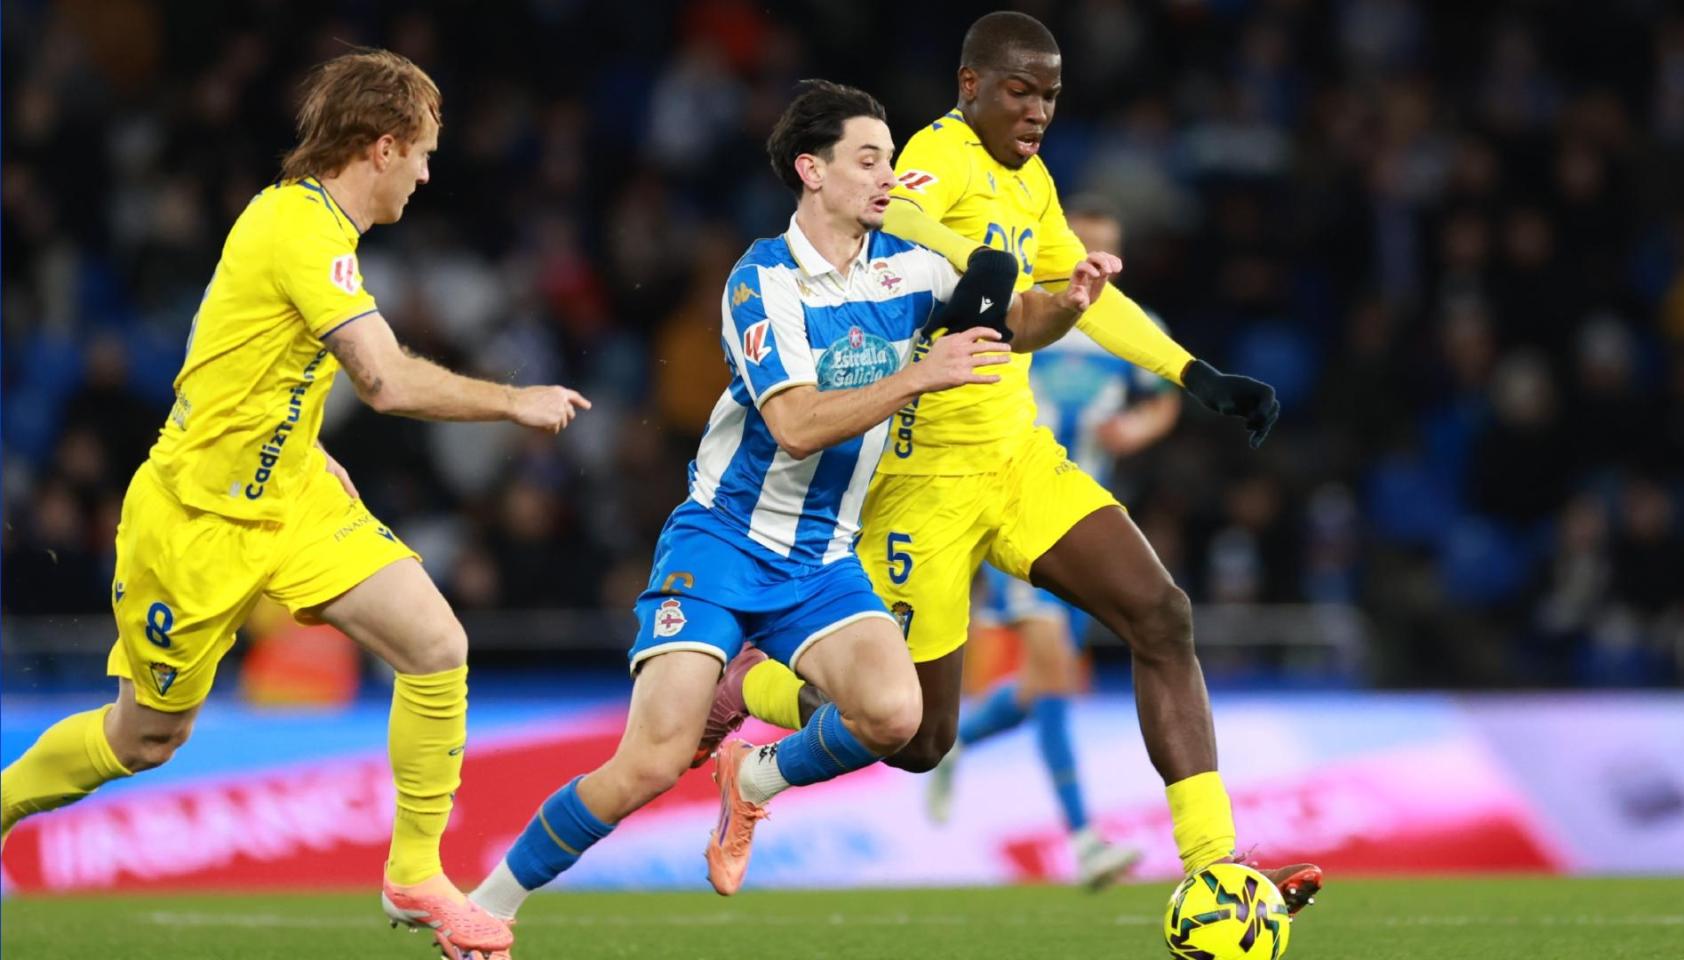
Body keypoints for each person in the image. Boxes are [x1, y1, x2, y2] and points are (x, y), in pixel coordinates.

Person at [466, 80, 1117, 939]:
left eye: (891, 159)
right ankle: (485, 909)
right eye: (869, 160)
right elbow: (797, 426)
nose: (890, 177)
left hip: (822, 560)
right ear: (812, 170)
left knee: (898, 715)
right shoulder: (762, 281)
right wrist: (920, 374)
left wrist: (1066, 304)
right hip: (724, 543)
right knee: (649, 763)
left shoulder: (910, 266)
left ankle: (753, 776)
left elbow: (1010, 321)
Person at [705, 13, 1322, 911]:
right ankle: (749, 700)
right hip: (919, 481)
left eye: (1051, 97)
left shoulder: (1031, 181)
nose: (1037, 112)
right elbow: (900, 210)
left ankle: (1213, 863)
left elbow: (1080, 296)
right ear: (972, 86)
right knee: (919, 737)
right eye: (1020, 92)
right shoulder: (939, 152)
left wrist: (1192, 373)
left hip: (1017, 458)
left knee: (1161, 616)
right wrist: (975, 259)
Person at [0, 49, 589, 960]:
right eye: (423, 154)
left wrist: (303, 445)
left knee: (437, 646)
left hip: (293, 498)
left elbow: (233, 352)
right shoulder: (299, 230)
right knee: (146, 737)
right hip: (198, 522)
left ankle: (415, 870)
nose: (427, 175)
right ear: (382, 147)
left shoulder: (309, 230)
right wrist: (515, 401)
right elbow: (385, 382)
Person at [927, 201, 1181, 890]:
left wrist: (1140, 428)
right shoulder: (1025, 316)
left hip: (1083, 524)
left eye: (1107, 252)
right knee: (1055, 678)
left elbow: (1163, 397)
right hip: (1016, 515)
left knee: (1043, 684)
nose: (1093, 264)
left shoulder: (1131, 327)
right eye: (1081, 246)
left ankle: (953, 743)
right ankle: (1085, 840)